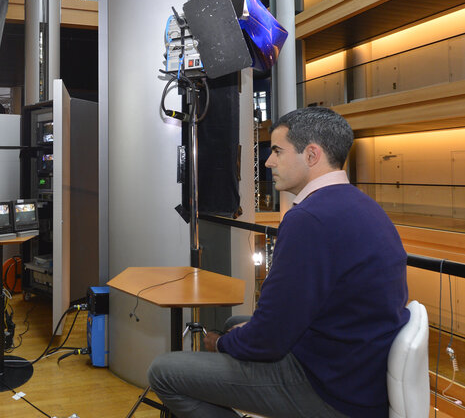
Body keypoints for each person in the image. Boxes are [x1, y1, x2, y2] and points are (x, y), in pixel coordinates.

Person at [148, 107, 409, 418]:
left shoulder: (309, 220)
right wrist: (244, 335)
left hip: (332, 392)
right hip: (359, 374)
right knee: (235, 324)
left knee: (164, 371)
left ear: (312, 155)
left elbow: (269, 340)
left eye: (277, 151)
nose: (268, 161)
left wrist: (218, 344)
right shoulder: (364, 206)